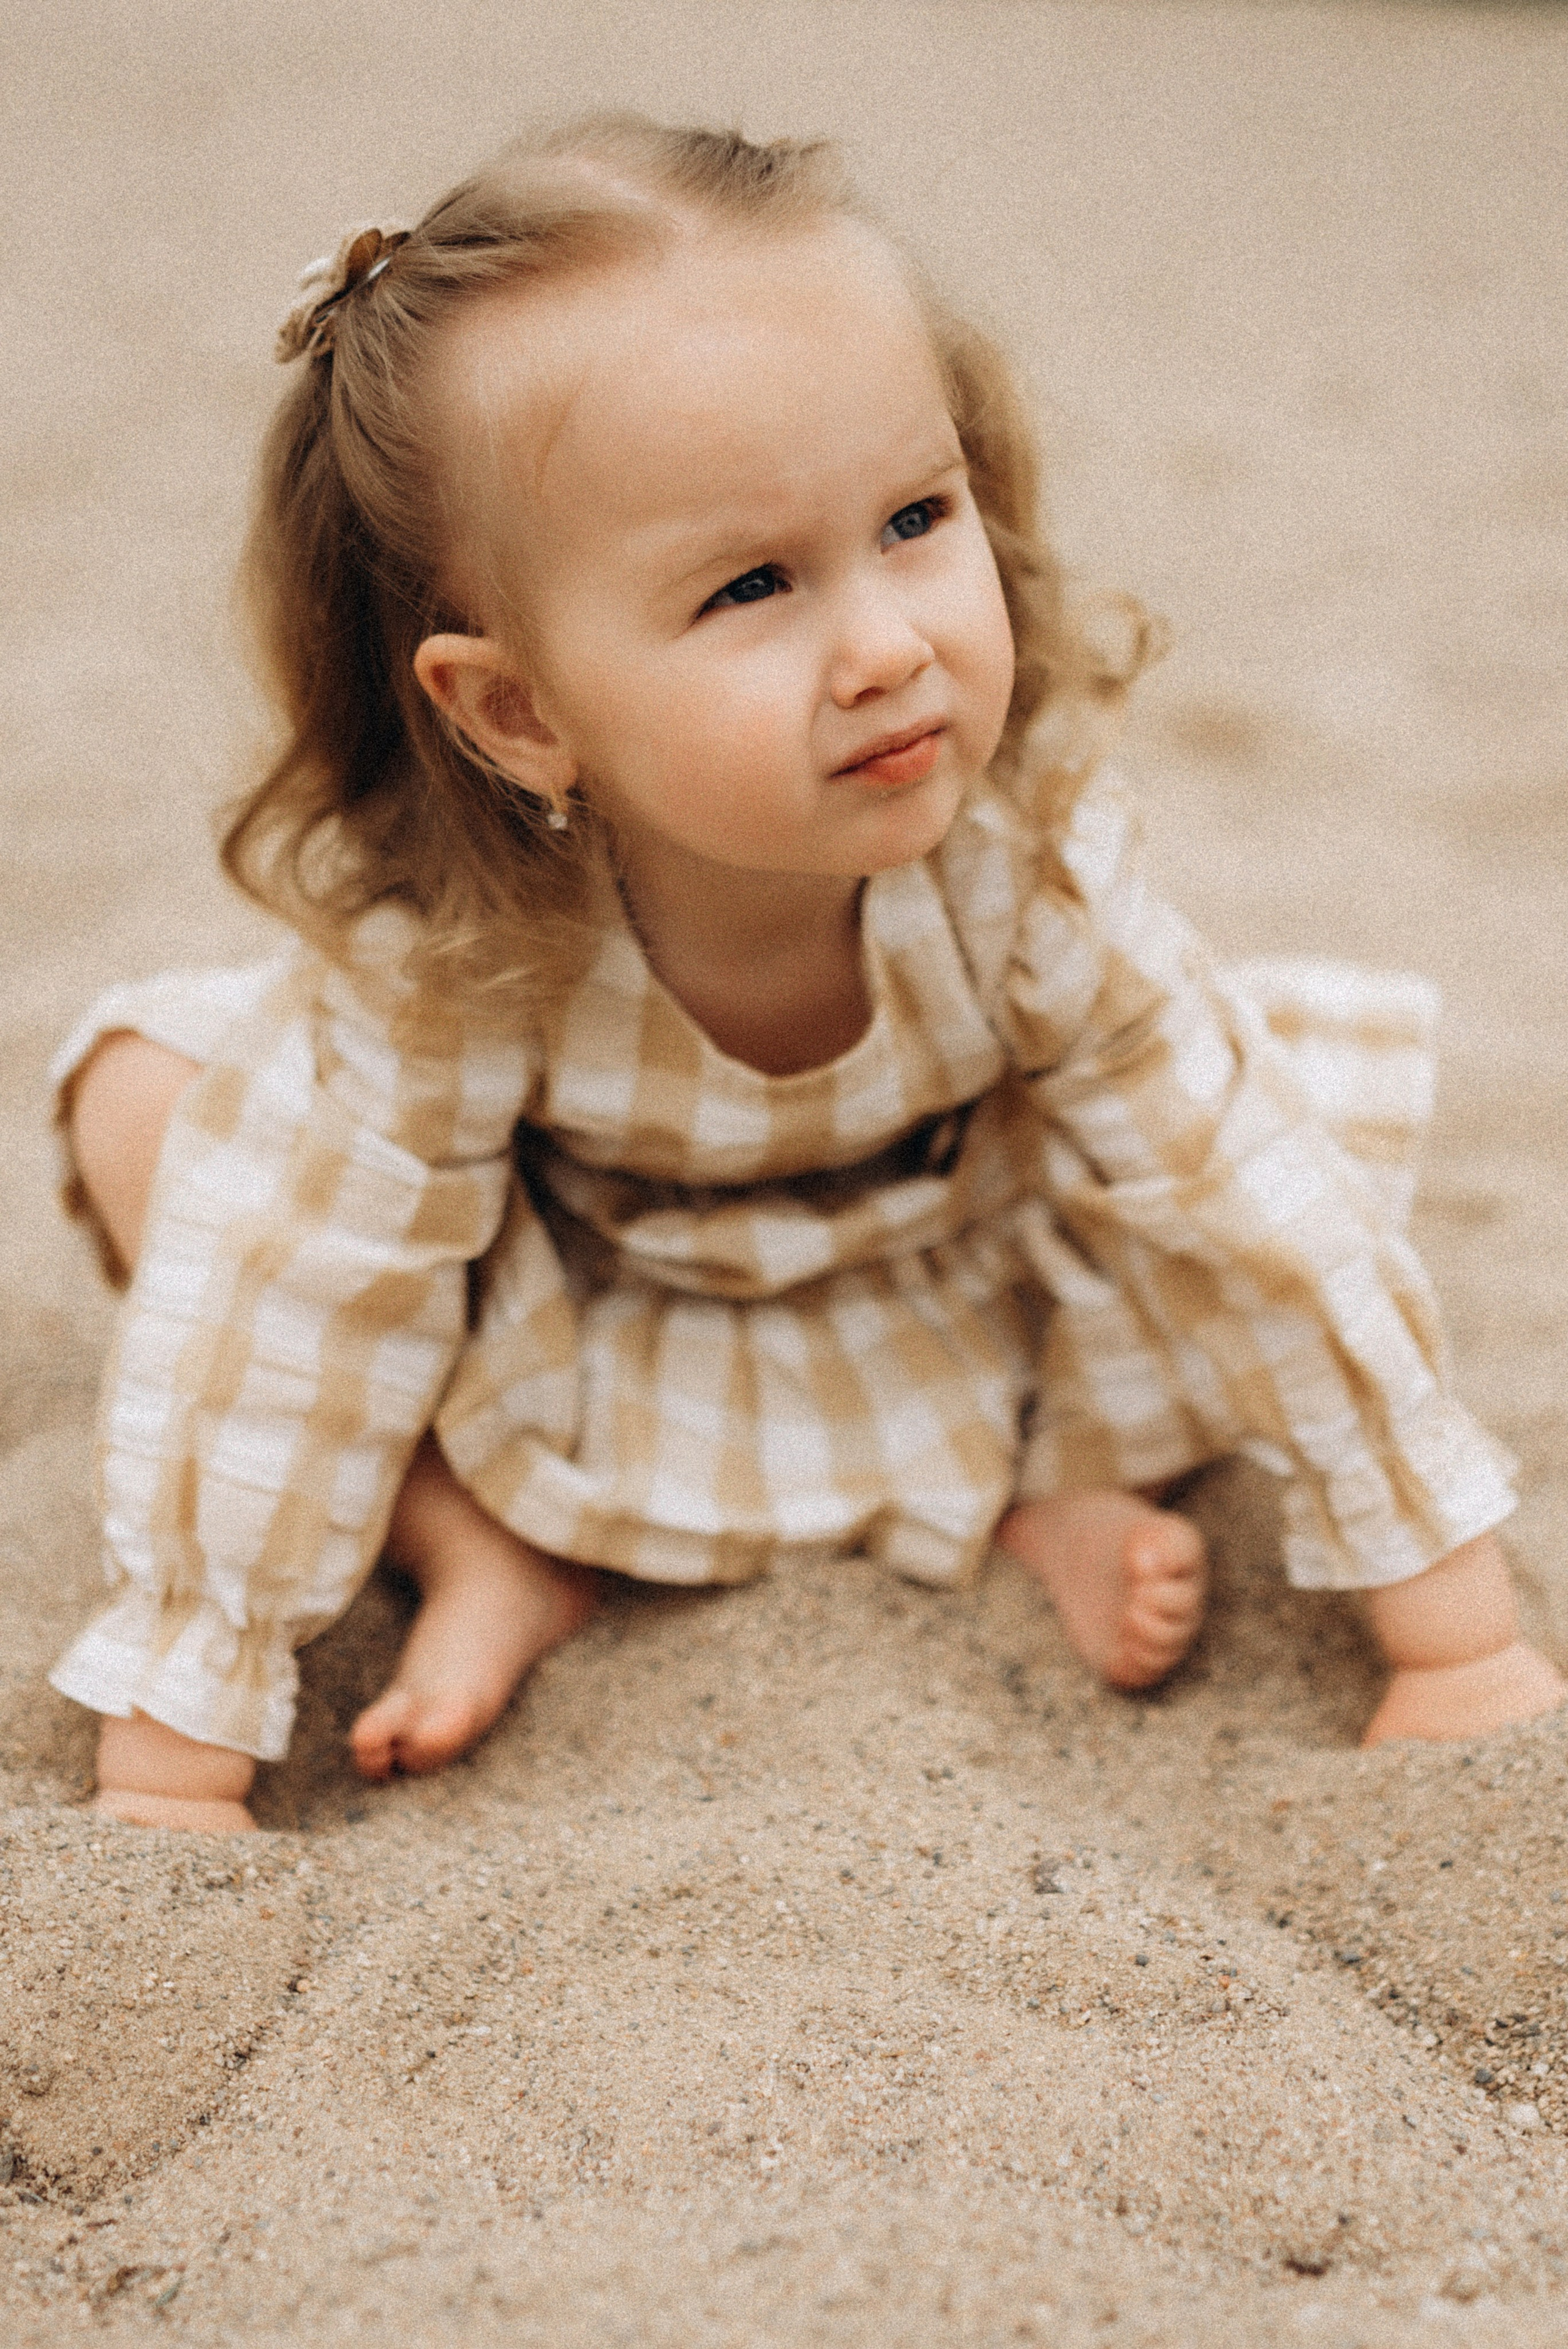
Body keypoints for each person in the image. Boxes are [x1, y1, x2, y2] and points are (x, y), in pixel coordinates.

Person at [52, 115, 1563, 1832]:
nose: (890, 644)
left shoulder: (1023, 869)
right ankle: (481, 1546)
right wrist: (178, 1760)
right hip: (588, 1321)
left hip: (952, 1284)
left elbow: (1252, 1211)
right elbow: (297, 1306)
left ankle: (1051, 1487)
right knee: (152, 1100)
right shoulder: (459, 956)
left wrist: (1455, 1641)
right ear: (521, 709)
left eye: (918, 515)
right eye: (754, 583)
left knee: (1241, 1154)